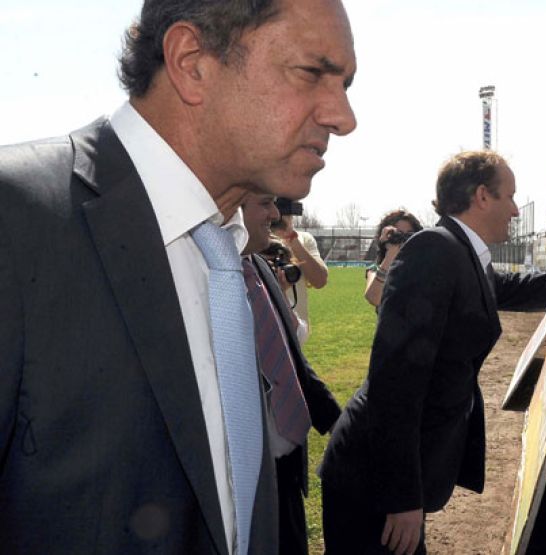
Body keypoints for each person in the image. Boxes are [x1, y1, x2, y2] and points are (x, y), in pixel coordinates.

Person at [0, 0, 356, 553]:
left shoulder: (230, 251)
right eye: (313, 72)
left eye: (346, 84)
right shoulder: (16, 220)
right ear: (192, 61)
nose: (343, 117)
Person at [319, 150, 546, 554]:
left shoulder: (460, 253)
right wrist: (401, 497)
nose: (515, 211)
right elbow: (393, 383)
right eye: (510, 197)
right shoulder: (433, 250)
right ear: (482, 196)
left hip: (388, 475)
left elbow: (535, 288)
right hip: (371, 481)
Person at [241, 193, 342, 555]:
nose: (275, 214)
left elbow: (288, 356)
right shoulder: (209, 274)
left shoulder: (260, 268)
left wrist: (338, 423)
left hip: (286, 459)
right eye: (264, 203)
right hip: (245, 466)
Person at [272, 200, 329, 345]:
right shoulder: (253, 239)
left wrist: (293, 240)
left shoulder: (304, 239)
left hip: (295, 333)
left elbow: (320, 280)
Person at [365, 209, 424, 308]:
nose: (404, 239)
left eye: (409, 235)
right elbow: (374, 298)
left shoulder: (423, 267)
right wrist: (391, 252)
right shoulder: (375, 269)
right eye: (398, 234)